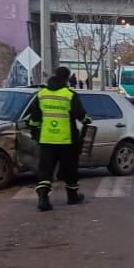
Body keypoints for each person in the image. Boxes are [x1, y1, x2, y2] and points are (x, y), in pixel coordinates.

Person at [25, 68, 89, 211]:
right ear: (67, 79)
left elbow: (34, 119)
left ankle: (43, 199)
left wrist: (36, 134)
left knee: (45, 170)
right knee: (70, 169)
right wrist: (87, 120)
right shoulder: (69, 95)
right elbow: (81, 115)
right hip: (66, 139)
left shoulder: (41, 94)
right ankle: (72, 196)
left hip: (47, 139)